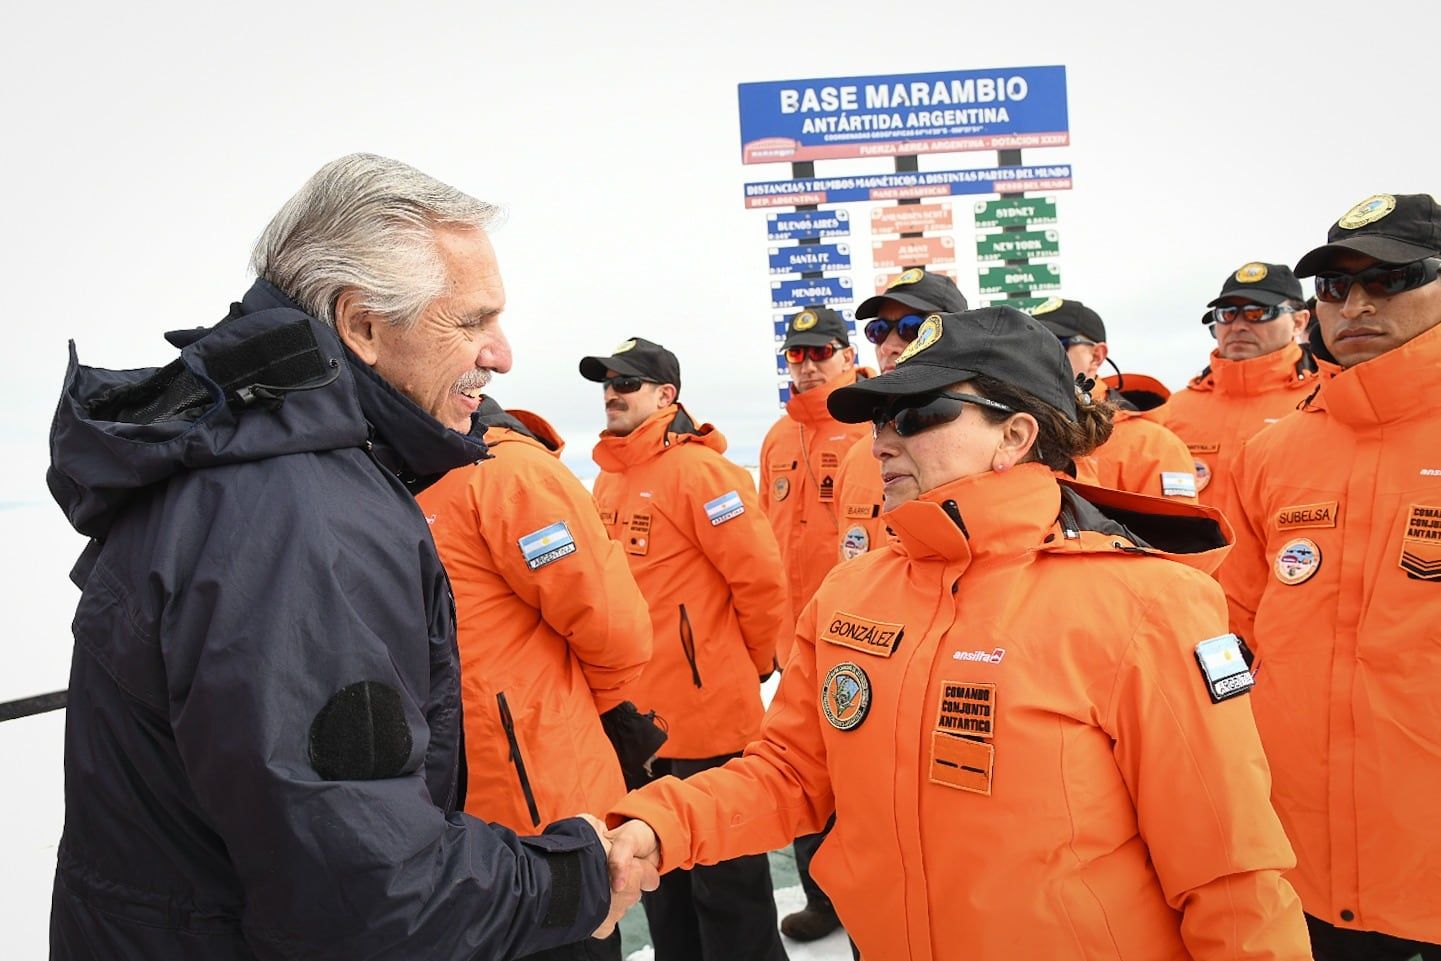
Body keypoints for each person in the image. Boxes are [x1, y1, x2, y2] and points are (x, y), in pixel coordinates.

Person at [45, 154, 653, 961]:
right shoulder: (296, 518)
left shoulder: (238, 464)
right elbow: (363, 892)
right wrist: (567, 880)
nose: (501, 354)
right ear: (362, 325)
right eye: (471, 321)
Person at [603, 306, 1312, 961]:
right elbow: (790, 772)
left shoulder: (1144, 604)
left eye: (917, 413)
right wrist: (659, 828)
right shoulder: (852, 593)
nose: (883, 439)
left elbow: (1229, 874)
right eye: (880, 417)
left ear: (1015, 436)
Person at [1222, 192, 1441, 960]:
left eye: (1389, 278)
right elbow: (1232, 631)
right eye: (1334, 286)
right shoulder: (1272, 453)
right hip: (1298, 863)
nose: (1355, 304)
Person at [417, 394, 656, 961]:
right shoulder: (396, 474)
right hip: (449, 816)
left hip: (538, 804)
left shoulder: (510, 474)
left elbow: (614, 633)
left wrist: (557, 711)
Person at [581, 338, 790, 961]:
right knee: (655, 879)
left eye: (627, 383)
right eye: (607, 383)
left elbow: (761, 582)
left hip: (709, 715)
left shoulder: (704, 473)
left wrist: (754, 664)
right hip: (636, 721)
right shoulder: (608, 478)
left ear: (665, 395)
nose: (613, 393)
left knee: (728, 884)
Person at [1158, 262, 1321, 524]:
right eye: (1227, 313)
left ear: (1299, 321)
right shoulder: (1173, 410)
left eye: (1258, 312)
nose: (1238, 326)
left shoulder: (1325, 401)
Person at [831, 267, 968, 564]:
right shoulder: (858, 457)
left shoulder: (988, 445)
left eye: (912, 329)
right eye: (879, 331)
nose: (889, 346)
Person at [759, 305, 872, 645]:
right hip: (790, 630)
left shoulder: (873, 423)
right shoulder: (778, 436)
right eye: (796, 354)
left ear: (847, 356)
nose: (808, 366)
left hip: (858, 619)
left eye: (820, 352)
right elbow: (765, 533)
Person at [1031, 297, 1199, 501]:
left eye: (1055, 344)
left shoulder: (1154, 446)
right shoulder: (1011, 432)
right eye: (1029, 345)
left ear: (1096, 356)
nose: (1038, 356)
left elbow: (1174, 523)